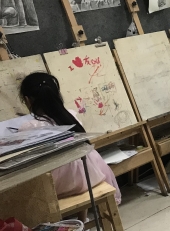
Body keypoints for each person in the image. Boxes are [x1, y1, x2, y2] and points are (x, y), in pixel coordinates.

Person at [18, 73, 121, 204]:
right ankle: (82, 215)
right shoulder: (71, 115)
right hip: (92, 173)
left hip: (64, 183)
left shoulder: (30, 127)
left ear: (27, 100)